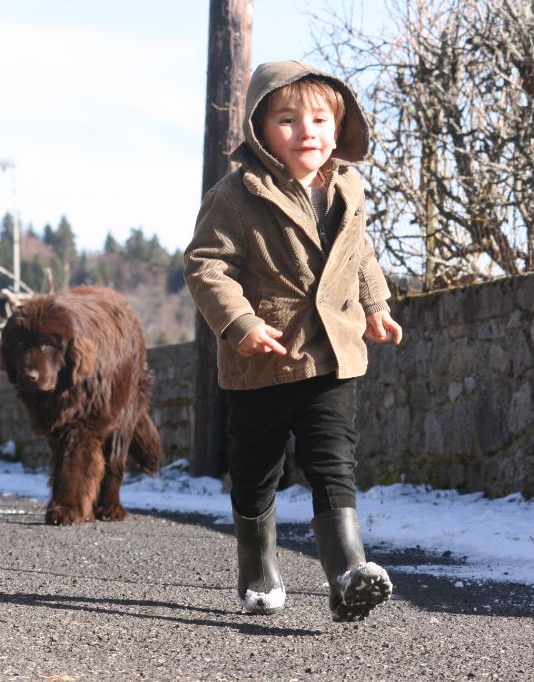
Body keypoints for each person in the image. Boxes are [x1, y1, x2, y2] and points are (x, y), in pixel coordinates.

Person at [184, 60, 403, 622]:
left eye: (321, 120)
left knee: (333, 463)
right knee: (257, 470)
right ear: (261, 129)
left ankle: (348, 573)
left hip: (334, 353)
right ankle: (257, 569)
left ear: (339, 128)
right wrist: (242, 326)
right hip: (264, 359)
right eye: (288, 119)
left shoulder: (349, 188)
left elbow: (361, 257)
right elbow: (207, 266)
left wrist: (376, 308)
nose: (308, 131)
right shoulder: (236, 194)